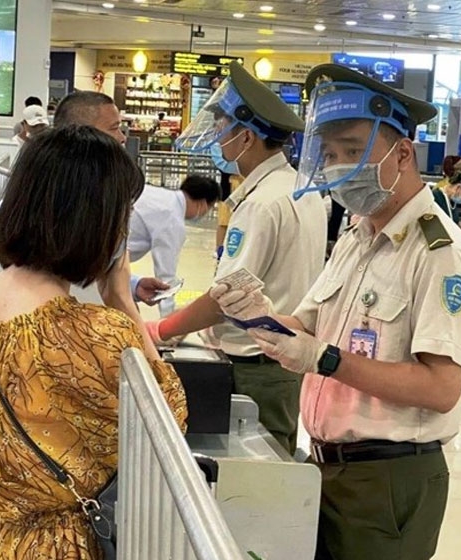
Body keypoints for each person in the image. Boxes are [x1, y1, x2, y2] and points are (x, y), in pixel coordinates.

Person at [212, 63, 461, 560]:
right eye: (331, 154)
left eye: (354, 151)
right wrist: (257, 316)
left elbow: (441, 388)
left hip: (388, 477)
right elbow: (306, 328)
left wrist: (326, 360)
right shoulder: (357, 237)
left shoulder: (440, 254)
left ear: (403, 153)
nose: (339, 167)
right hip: (325, 465)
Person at [0, 125, 187, 560]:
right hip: (66, 546)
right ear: (95, 221)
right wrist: (121, 298)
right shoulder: (95, 334)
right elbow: (168, 425)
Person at [152, 62, 327, 455]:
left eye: (223, 127)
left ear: (247, 137)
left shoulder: (262, 203)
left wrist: (162, 329)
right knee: (276, 463)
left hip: (257, 370)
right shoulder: (301, 189)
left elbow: (225, 299)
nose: (218, 137)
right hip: (282, 364)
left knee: (258, 475)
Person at [52, 90, 167, 361]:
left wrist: (131, 283)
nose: (122, 138)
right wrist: (157, 369)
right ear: (83, 134)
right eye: (114, 128)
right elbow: (113, 292)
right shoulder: (91, 204)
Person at [127, 174, 220, 314]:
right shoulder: (172, 219)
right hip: (104, 257)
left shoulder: (161, 196)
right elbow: (166, 277)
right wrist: (168, 318)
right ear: (202, 204)